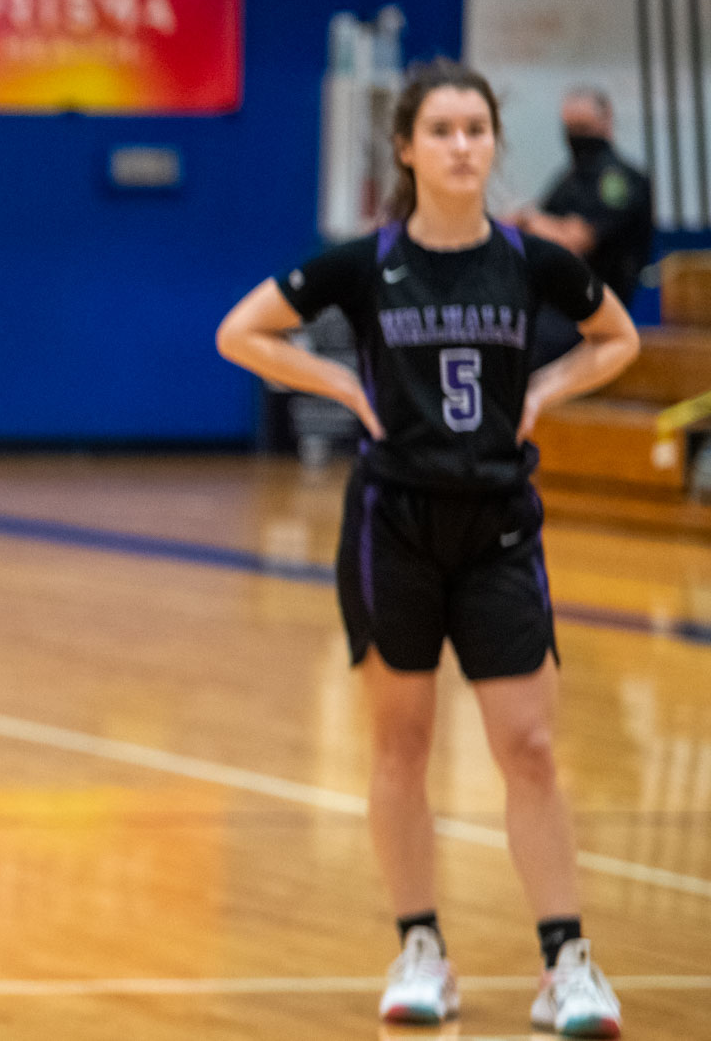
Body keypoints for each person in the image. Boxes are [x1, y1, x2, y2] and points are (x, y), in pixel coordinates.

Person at [216, 60, 638, 1038]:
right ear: (405, 148)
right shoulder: (364, 265)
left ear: (494, 144)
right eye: (441, 130)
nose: (461, 147)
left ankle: (566, 963)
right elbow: (242, 331)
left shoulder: (531, 261)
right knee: (400, 746)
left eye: (475, 130)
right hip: (392, 527)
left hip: (498, 527)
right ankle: (421, 949)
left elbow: (614, 338)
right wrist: (343, 387)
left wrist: (546, 392)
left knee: (529, 747)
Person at [515, 87, 653, 306]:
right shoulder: (569, 178)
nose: (577, 138)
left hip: (599, 303)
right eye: (571, 129)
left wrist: (528, 220)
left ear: (606, 120)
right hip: (560, 299)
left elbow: (577, 239)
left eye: (584, 128)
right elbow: (539, 219)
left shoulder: (618, 180)